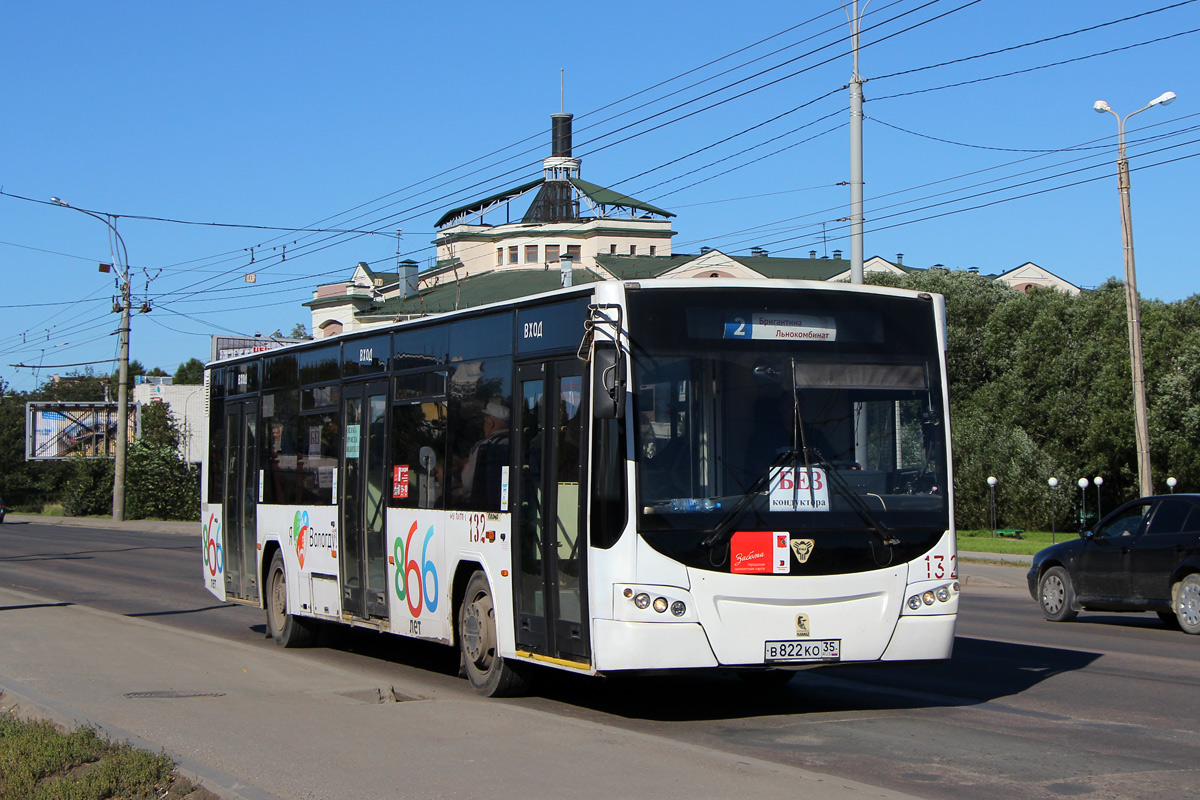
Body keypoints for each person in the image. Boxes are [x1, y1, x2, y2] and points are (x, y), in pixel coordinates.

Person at [458, 400, 510, 508]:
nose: (484, 425)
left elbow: (468, 483)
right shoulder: (516, 442)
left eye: (485, 421)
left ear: (492, 423)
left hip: (483, 506)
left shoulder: (485, 446)